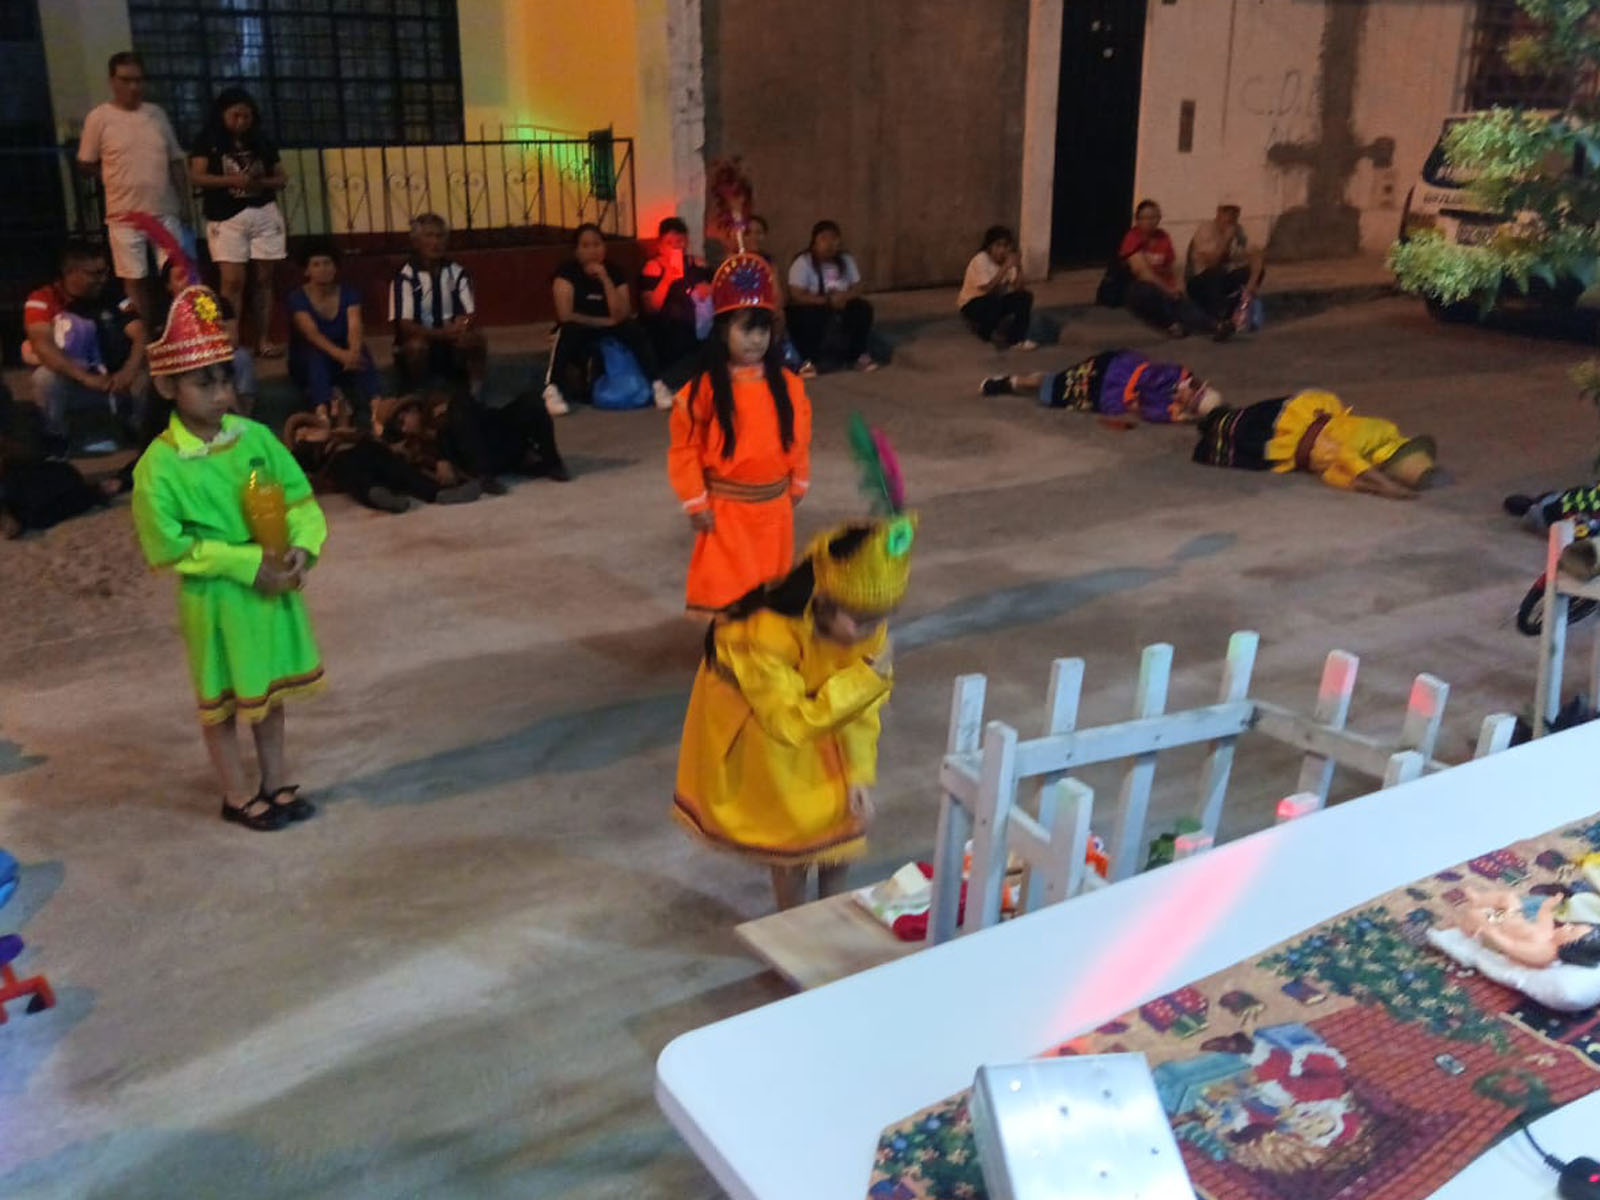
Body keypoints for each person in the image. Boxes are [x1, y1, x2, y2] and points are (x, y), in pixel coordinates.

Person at [130, 283, 327, 832]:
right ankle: (237, 794)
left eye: (225, 379)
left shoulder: (255, 437)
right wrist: (243, 564)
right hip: (215, 598)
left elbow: (299, 499)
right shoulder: (158, 467)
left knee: (268, 692)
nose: (221, 394)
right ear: (167, 386)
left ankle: (276, 780)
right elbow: (168, 545)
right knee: (221, 702)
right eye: (204, 382)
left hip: (270, 586)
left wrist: (302, 545)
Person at [672, 514, 916, 910]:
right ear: (824, 602)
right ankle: (794, 917)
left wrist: (858, 772)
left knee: (844, 813)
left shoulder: (866, 622)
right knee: (796, 827)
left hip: (821, 707)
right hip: (761, 721)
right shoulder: (765, 636)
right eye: (861, 620)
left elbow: (863, 709)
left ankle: (832, 909)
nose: (873, 630)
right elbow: (788, 723)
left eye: (881, 618)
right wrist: (865, 678)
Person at [667, 253, 811, 615]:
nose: (756, 339)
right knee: (729, 596)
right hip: (726, 513)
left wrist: (798, 480)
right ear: (722, 331)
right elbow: (685, 450)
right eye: (746, 329)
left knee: (771, 595)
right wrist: (695, 500)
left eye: (763, 330)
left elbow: (798, 438)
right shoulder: (701, 392)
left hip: (775, 512)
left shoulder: (790, 386)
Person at [76, 51, 189, 325]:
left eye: (138, 80)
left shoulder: (156, 114)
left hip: (164, 209)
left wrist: (184, 202)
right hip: (123, 214)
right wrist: (111, 177)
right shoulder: (99, 117)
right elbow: (85, 161)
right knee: (134, 279)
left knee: (178, 275)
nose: (134, 87)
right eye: (126, 80)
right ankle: (144, 339)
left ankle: (182, 334)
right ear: (112, 81)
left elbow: (175, 160)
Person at [188, 86, 289, 358]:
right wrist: (231, 181)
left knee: (264, 280)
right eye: (235, 116)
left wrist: (259, 182)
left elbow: (281, 177)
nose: (241, 122)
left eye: (246, 116)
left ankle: (263, 339)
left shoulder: (262, 140)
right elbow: (197, 176)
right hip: (226, 216)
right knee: (232, 281)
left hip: (263, 211)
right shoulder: (207, 140)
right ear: (222, 114)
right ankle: (229, 341)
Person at [1192, 390, 1437, 498]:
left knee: (1240, 428)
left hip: (1293, 439)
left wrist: (1374, 487)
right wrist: (1384, 486)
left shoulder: (1377, 441)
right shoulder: (1378, 434)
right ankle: (1215, 414)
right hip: (1294, 426)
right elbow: (1348, 459)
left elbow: (1338, 474)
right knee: (1239, 424)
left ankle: (1215, 414)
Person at [23, 240, 147, 448]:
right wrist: (85, 378)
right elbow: (42, 345)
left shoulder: (114, 295)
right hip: (75, 379)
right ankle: (55, 437)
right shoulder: (43, 299)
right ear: (70, 273)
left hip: (116, 378)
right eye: (95, 274)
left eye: (105, 272)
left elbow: (140, 333)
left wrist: (129, 370)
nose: (103, 279)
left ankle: (138, 431)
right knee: (45, 378)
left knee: (148, 373)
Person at [544, 222, 671, 415]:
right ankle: (552, 389)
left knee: (634, 329)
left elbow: (621, 313)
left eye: (597, 244)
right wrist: (602, 322)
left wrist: (605, 279)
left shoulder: (614, 272)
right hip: (581, 326)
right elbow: (565, 314)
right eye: (586, 246)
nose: (592, 251)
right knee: (568, 331)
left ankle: (657, 384)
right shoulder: (566, 273)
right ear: (577, 251)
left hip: (611, 326)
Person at [283, 401, 480, 513]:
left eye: (308, 428)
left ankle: (438, 493)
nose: (306, 433)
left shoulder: (343, 433)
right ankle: (378, 496)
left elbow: (372, 439)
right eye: (300, 432)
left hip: (369, 450)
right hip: (338, 460)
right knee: (355, 478)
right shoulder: (306, 450)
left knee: (398, 469)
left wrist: (338, 432)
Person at [979, 348, 1221, 425]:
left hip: (1107, 393)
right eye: (1194, 394)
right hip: (1116, 369)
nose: (1188, 397)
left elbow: (1140, 408)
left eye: (1192, 403)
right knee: (1060, 379)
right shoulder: (1178, 374)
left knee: (1057, 392)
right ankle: (1009, 382)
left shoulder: (1169, 409)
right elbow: (1149, 378)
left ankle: (1016, 383)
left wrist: (1177, 412)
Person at [0, 383, 117, 539]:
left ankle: (90, 494)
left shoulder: (17, 414)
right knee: (34, 513)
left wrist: (7, 448)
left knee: (64, 477)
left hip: (19, 474)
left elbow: (33, 454)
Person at [286, 241, 384, 424]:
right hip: (307, 360)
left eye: (327, 263)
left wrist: (354, 352)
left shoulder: (349, 293)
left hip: (344, 359)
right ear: (307, 271)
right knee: (316, 355)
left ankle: (377, 407)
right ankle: (322, 414)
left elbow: (355, 327)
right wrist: (342, 356)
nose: (323, 269)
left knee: (362, 351)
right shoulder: (297, 297)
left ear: (335, 267)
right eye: (316, 265)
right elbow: (312, 335)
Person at [390, 214, 487, 396]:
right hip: (421, 340)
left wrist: (463, 324)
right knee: (416, 347)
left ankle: (475, 393)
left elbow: (470, 313)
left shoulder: (457, 272)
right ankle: (418, 393)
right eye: (429, 236)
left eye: (440, 236)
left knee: (476, 339)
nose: (435, 242)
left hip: (450, 340)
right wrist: (440, 333)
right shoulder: (405, 276)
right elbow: (404, 325)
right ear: (416, 242)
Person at [1118, 200, 1226, 340]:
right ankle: (1171, 325)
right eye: (1145, 218)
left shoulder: (1163, 237)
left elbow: (1172, 266)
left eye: (1154, 217)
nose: (1150, 222)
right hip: (1140, 286)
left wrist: (1179, 286)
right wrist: (1167, 289)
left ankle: (1216, 327)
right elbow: (1142, 272)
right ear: (1138, 220)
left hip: (1163, 284)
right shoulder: (1133, 237)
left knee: (1182, 303)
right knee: (1148, 293)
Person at [787, 220, 877, 374]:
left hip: (842, 301)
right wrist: (826, 301)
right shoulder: (803, 262)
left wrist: (844, 297)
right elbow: (796, 294)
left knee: (862, 309)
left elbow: (858, 286)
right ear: (814, 242)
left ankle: (858, 356)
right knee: (803, 316)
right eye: (824, 239)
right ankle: (808, 360)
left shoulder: (846, 260)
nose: (829, 244)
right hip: (814, 303)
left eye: (833, 239)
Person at [638, 216, 714, 387]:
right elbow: (651, 308)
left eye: (680, 241)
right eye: (669, 243)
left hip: (699, 322)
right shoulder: (653, 267)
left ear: (686, 242)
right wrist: (667, 278)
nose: (675, 247)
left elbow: (716, 289)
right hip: (667, 326)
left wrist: (709, 289)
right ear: (660, 245)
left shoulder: (698, 264)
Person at [1187, 203, 1265, 332]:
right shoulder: (1206, 229)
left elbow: (1256, 256)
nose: (1231, 216)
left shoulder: (1239, 230)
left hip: (1223, 279)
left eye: (1235, 212)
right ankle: (1217, 319)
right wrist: (1226, 240)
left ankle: (1236, 311)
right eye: (1227, 212)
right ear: (1218, 213)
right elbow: (1212, 262)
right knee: (1216, 273)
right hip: (1200, 281)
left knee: (1252, 272)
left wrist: (1251, 284)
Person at [958, 225, 1037, 349]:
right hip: (972, 304)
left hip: (995, 301)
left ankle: (1016, 339)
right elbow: (987, 289)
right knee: (994, 301)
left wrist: (1018, 266)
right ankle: (984, 333)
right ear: (990, 246)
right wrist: (1005, 268)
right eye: (998, 245)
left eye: (1005, 246)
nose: (1002, 250)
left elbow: (1018, 288)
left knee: (1025, 297)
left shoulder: (1007, 261)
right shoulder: (980, 260)